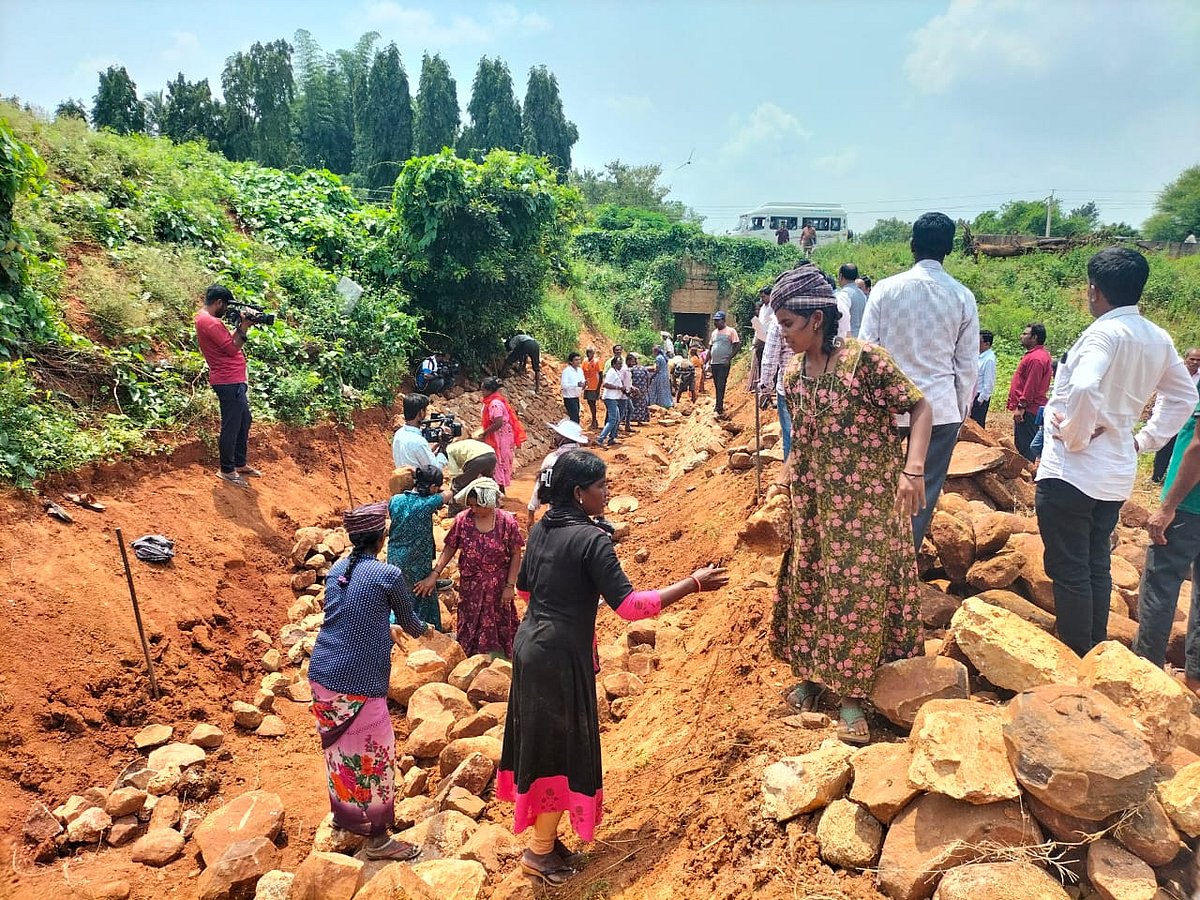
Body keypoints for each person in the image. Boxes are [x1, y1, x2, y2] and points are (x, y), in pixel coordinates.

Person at [497, 450, 728, 885]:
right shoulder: (592, 540)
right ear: (578, 492)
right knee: (558, 751)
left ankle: (547, 840)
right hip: (560, 658)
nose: (608, 493)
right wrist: (693, 583)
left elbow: (526, 592)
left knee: (545, 742)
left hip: (531, 648)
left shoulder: (543, 528)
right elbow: (630, 606)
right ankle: (539, 851)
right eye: (601, 486)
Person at [766, 264, 932, 745]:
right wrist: (787, 475)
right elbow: (802, 433)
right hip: (815, 502)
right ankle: (814, 675)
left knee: (855, 593)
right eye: (780, 326)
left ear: (816, 319)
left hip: (867, 505)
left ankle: (852, 698)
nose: (784, 336)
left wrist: (913, 469)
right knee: (811, 581)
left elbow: (922, 409)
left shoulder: (868, 363)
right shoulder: (795, 373)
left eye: (789, 326)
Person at [1036, 247, 1197, 658]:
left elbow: (1086, 386)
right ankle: (1093, 648)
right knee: (1095, 562)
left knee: (1069, 567)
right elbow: (1183, 397)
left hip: (1071, 471)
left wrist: (1075, 435)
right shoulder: (1157, 337)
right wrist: (1143, 440)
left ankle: (1076, 656)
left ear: (1094, 290)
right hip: (1114, 475)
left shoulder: (1104, 334)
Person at [307, 501, 431, 861]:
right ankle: (377, 838)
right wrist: (429, 633)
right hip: (359, 680)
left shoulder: (338, 570)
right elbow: (410, 623)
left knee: (340, 753)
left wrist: (378, 625)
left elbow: (349, 613)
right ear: (381, 536)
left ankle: (346, 817)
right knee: (375, 757)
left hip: (322, 674)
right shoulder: (387, 573)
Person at [860, 211, 979, 550]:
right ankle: (902, 562)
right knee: (919, 492)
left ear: (911, 244)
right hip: (938, 410)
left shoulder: (885, 289)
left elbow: (867, 350)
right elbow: (966, 364)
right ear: (950, 249)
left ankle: (869, 555)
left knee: (873, 483)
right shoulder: (961, 297)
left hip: (887, 408)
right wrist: (958, 410)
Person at [1137, 397, 1200, 697]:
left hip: (1190, 507)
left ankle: (1144, 674)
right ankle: (1194, 677)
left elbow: (1199, 447)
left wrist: (1168, 506)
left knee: (1159, 586)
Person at [430, 477, 524, 658]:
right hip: (471, 585)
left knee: (500, 621)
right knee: (469, 619)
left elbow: (515, 554)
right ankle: (469, 660)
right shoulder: (463, 520)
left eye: (478, 506)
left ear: (489, 501)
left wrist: (510, 586)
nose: (474, 509)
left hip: (498, 586)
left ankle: (500, 662)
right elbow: (450, 547)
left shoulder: (506, 522)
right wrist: (435, 573)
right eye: (471, 505)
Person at [195, 284, 260, 488]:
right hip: (228, 381)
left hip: (233, 379)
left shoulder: (205, 320)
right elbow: (232, 348)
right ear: (219, 303)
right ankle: (227, 469)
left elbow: (226, 345)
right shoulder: (211, 322)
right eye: (225, 306)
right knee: (231, 426)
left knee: (244, 420)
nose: (226, 311)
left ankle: (239, 463)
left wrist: (241, 325)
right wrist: (244, 326)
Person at [389, 465, 453, 631]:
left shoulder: (395, 500)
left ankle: (395, 629)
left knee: (398, 595)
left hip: (395, 558)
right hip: (417, 562)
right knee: (422, 593)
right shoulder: (427, 504)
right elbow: (449, 493)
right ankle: (424, 633)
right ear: (432, 487)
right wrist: (440, 488)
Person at [527, 419, 588, 526]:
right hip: (580, 516)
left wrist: (531, 513)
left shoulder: (551, 459)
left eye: (557, 434)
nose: (555, 437)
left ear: (564, 439)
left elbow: (539, 487)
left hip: (556, 514)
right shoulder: (586, 459)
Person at [1007, 323, 1053, 460]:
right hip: (1029, 408)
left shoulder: (1037, 359)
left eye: (1025, 334)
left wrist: (1021, 406)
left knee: (1026, 447)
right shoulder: (1036, 356)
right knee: (1024, 444)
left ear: (1034, 337)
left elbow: (1031, 385)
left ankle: (1028, 477)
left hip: (1029, 409)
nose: (1021, 336)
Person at [1153, 347, 1200, 483]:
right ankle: (1157, 477)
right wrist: (1158, 414)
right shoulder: (1176, 374)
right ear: (1186, 359)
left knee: (1183, 449)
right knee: (1165, 446)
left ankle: (1174, 479)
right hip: (1171, 414)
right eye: (1192, 359)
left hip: (1190, 418)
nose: (1195, 362)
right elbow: (1163, 395)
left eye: (1198, 360)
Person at [759, 308, 795, 460]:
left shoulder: (778, 321)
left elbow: (769, 360)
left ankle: (792, 478)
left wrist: (765, 389)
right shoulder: (818, 315)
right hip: (816, 386)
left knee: (789, 434)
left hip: (787, 387)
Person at [479, 377, 526, 490]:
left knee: (498, 461)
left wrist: (484, 433)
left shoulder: (495, 403)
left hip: (499, 437)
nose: (482, 393)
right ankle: (500, 490)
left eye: (483, 390)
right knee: (499, 461)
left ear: (489, 390)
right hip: (500, 435)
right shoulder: (495, 401)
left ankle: (499, 491)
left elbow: (498, 422)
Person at [391, 393, 448, 472]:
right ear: (421, 412)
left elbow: (413, 458)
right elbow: (434, 470)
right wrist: (443, 449)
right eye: (426, 410)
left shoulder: (399, 434)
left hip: (402, 481)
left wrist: (430, 452)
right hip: (417, 483)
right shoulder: (419, 442)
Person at [708, 310, 741, 416]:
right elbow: (710, 348)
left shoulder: (731, 331)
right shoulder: (714, 333)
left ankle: (719, 407)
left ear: (723, 320)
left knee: (721, 384)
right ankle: (718, 404)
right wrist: (706, 362)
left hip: (723, 363)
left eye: (718, 321)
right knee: (717, 385)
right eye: (715, 321)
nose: (716, 323)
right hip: (714, 363)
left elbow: (737, 345)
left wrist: (729, 358)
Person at [596, 353, 630, 448]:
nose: (620, 365)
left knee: (617, 419)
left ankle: (612, 438)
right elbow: (606, 384)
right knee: (612, 420)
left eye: (621, 364)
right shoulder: (611, 372)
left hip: (614, 398)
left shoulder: (616, 372)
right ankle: (600, 438)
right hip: (610, 398)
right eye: (619, 364)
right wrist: (618, 387)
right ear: (614, 364)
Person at [748, 287, 773, 392]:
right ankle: (762, 384)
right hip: (760, 338)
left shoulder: (774, 308)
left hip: (769, 339)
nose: (762, 299)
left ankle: (770, 386)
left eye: (763, 297)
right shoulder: (763, 308)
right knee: (760, 362)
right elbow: (760, 323)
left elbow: (771, 324)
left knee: (770, 363)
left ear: (769, 295)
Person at [835, 264, 868, 338]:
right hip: (861, 337)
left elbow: (842, 320)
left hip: (849, 339)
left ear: (841, 276)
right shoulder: (862, 294)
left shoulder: (843, 295)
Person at [972, 331, 997, 427]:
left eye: (979, 341)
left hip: (979, 398)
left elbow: (989, 383)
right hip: (973, 395)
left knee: (977, 425)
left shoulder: (989, 360)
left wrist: (980, 399)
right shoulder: (978, 356)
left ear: (987, 344)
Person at [560, 353, 586, 424]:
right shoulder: (566, 371)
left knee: (575, 417)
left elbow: (582, 381)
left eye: (579, 359)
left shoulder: (580, 371)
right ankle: (574, 434)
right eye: (576, 360)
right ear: (571, 362)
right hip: (569, 398)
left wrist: (584, 385)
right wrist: (576, 385)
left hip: (576, 397)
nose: (578, 361)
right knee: (575, 418)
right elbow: (563, 385)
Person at [581, 347, 603, 430]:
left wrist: (598, 387)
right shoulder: (585, 361)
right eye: (587, 352)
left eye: (590, 352)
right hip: (587, 386)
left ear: (593, 353)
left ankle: (594, 421)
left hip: (594, 386)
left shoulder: (597, 362)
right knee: (590, 403)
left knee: (593, 403)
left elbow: (601, 375)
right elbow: (582, 372)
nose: (589, 354)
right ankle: (594, 420)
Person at [626, 353, 651, 425]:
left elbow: (628, 379)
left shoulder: (631, 369)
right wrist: (647, 387)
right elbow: (648, 378)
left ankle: (628, 420)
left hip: (634, 389)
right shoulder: (644, 368)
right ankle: (639, 421)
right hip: (642, 389)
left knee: (632, 404)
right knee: (641, 404)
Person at [647, 344, 674, 410]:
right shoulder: (663, 357)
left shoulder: (658, 358)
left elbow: (657, 369)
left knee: (657, 389)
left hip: (660, 376)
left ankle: (659, 403)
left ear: (655, 351)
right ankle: (667, 403)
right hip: (665, 375)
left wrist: (652, 376)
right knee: (664, 389)